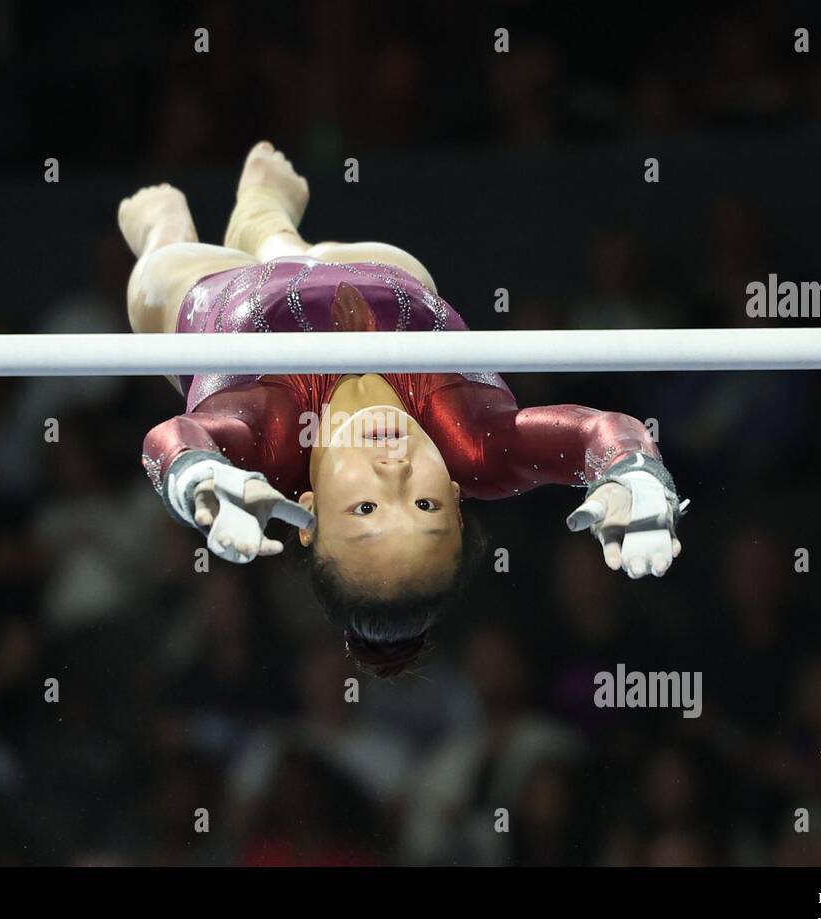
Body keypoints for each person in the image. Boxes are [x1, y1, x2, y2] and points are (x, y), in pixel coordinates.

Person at [122, 142, 686, 677]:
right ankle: (266, 223)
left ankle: (175, 228)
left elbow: (175, 435)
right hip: (387, 276)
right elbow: (597, 432)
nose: (393, 473)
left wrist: (197, 477)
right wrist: (630, 472)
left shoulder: (266, 444)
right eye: (423, 504)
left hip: (213, 289)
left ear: (308, 517)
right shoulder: (476, 444)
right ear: (459, 506)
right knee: (293, 248)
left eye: (364, 509)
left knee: (158, 274)